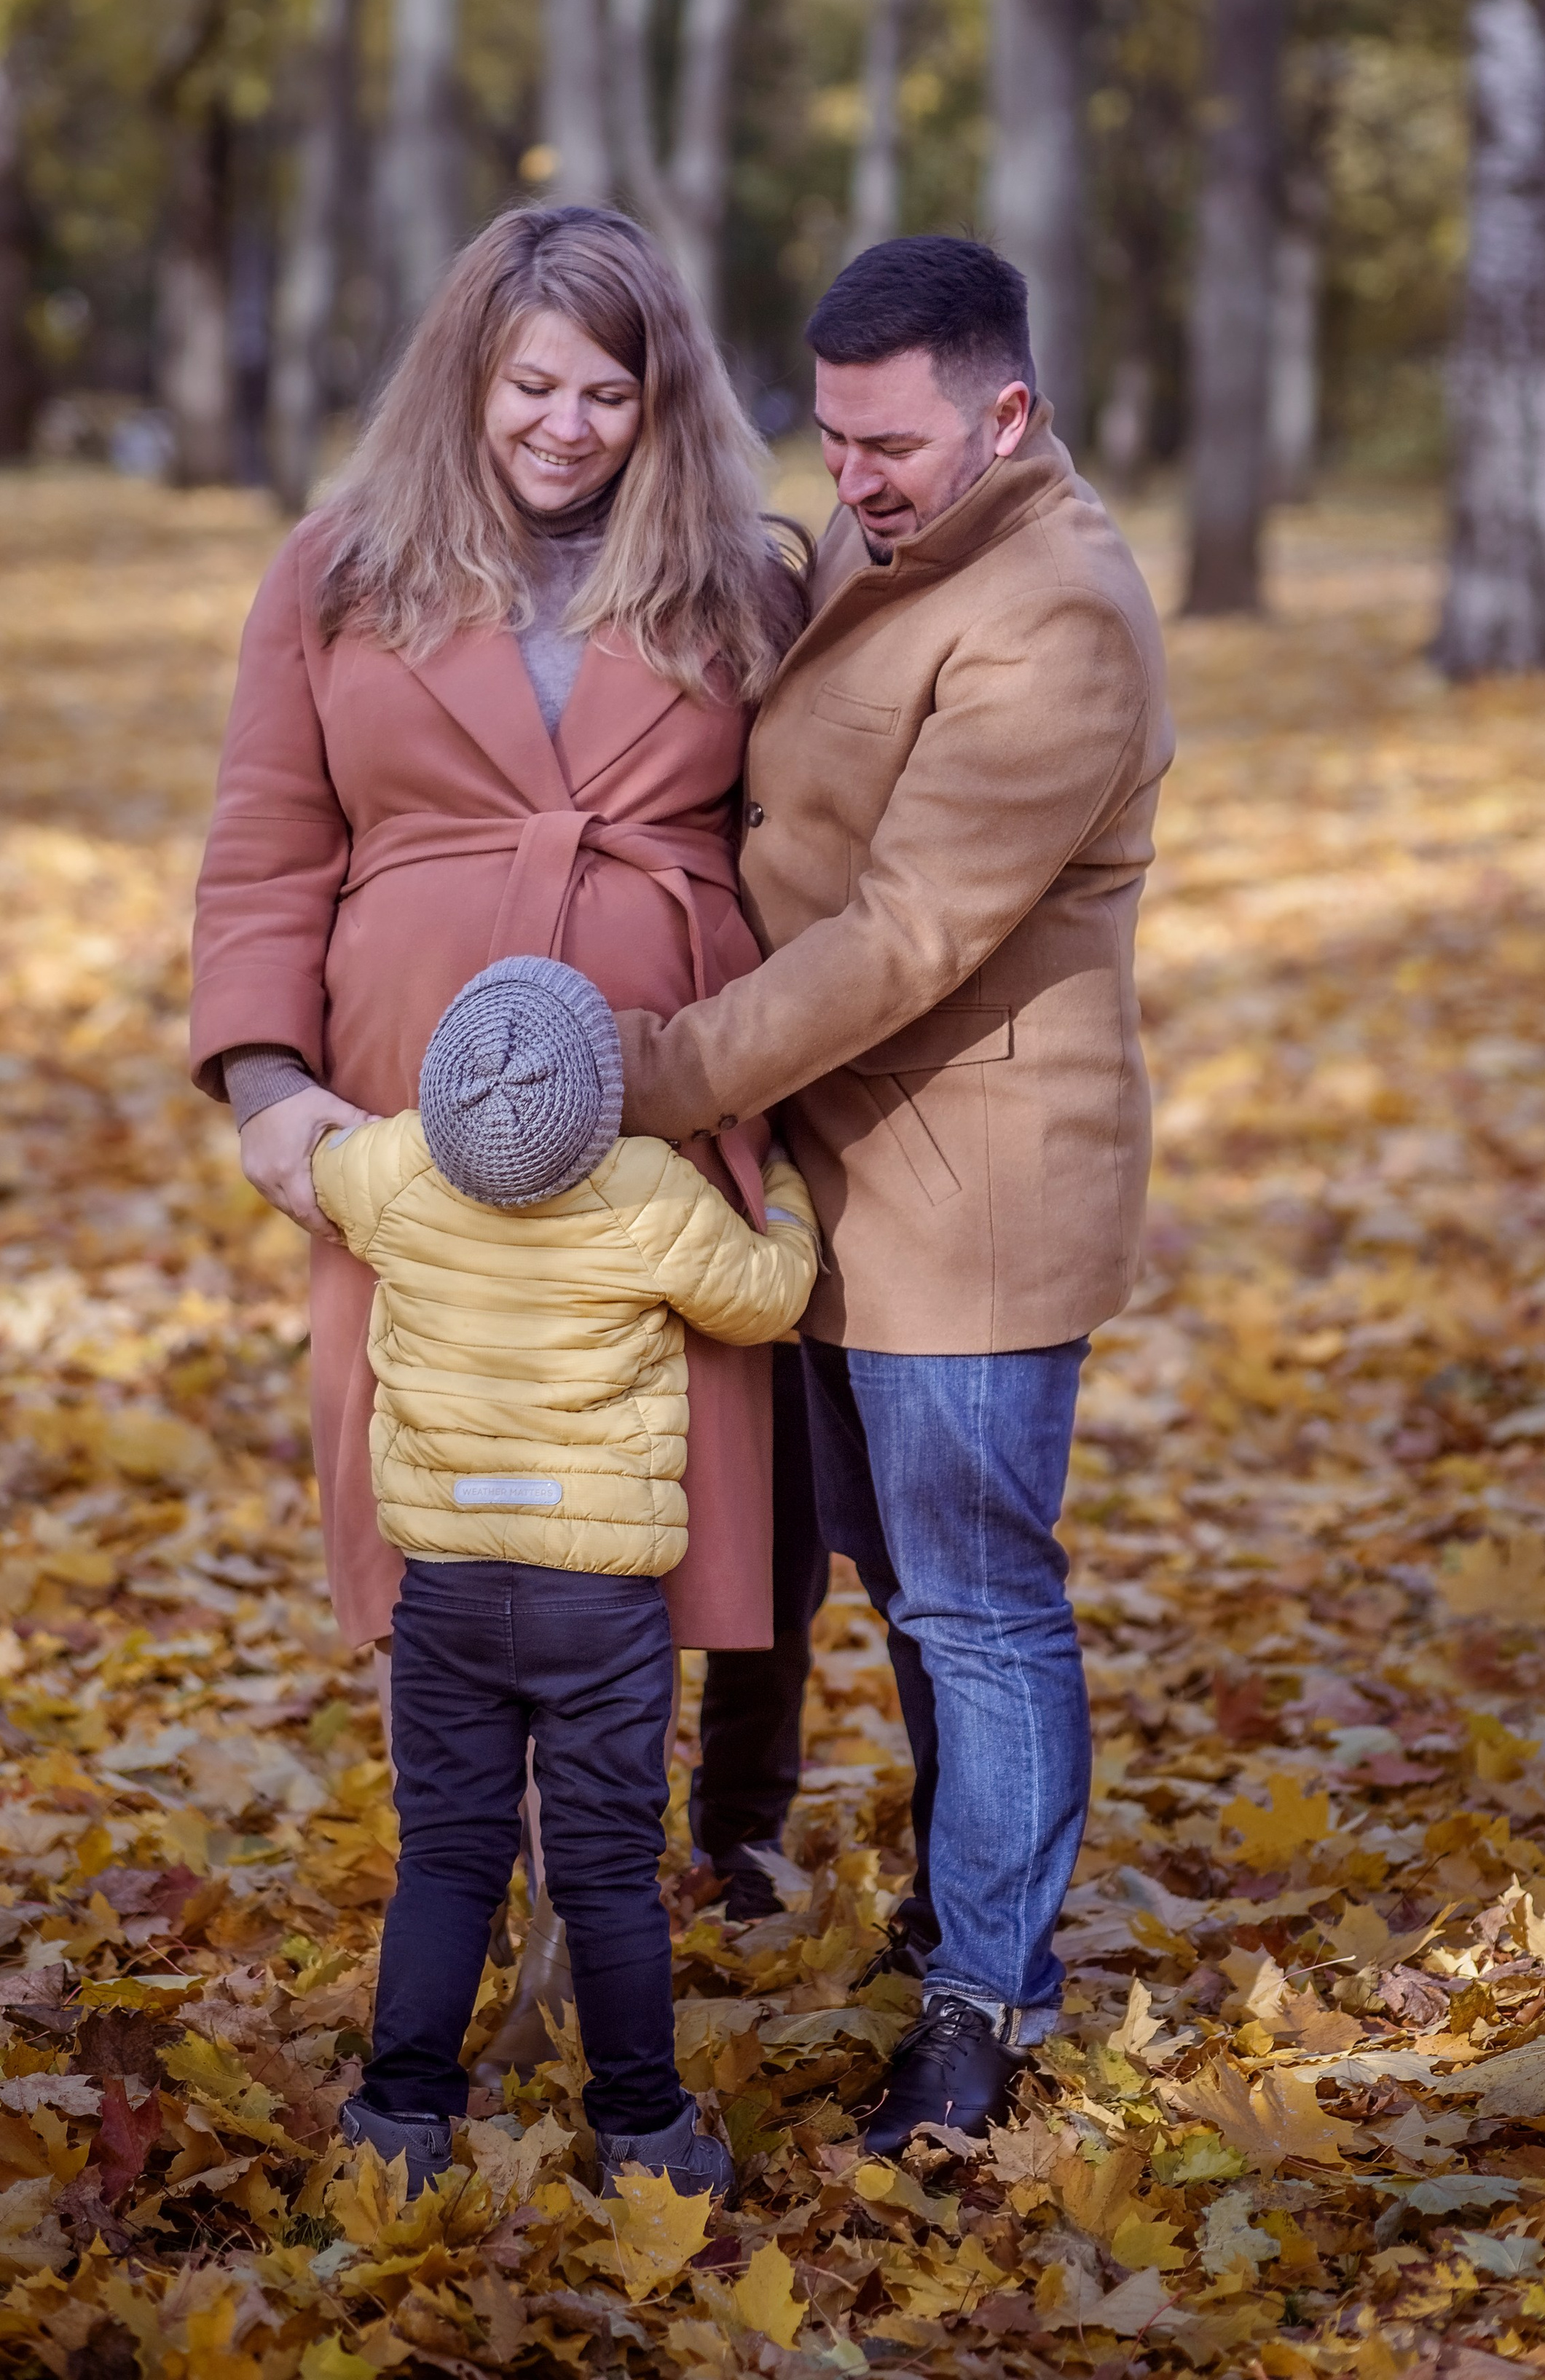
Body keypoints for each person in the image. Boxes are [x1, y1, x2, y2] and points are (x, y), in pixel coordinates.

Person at [189, 203, 814, 2025]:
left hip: (661, 1095)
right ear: (466, 371)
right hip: (399, 1110)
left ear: (660, 398)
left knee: (657, 1472)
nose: (562, 424)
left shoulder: (735, 579)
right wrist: (264, 1085)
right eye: (530, 383)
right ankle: (462, 1845)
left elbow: (817, 843)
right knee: (434, 1463)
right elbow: (263, 846)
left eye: (606, 392)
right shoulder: (340, 571)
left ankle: (633, 1860)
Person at [613, 234, 1174, 2150]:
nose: (852, 476)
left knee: (979, 1608)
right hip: (840, 1171)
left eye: (893, 444)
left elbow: (906, 933)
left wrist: (654, 1072)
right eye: (832, 435)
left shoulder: (1060, 616)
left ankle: (987, 2006)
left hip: (976, 1190)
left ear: (1008, 413)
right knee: (905, 1585)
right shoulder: (898, 530)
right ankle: (960, 1917)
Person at [314, 956, 817, 2192]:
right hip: (598, 1601)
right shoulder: (645, 1188)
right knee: (603, 1867)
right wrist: (787, 1191)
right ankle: (644, 2130)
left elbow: (315, 1170)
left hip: (447, 1590)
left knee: (445, 1855)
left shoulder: (394, 1170)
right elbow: (767, 1299)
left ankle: (402, 2122)